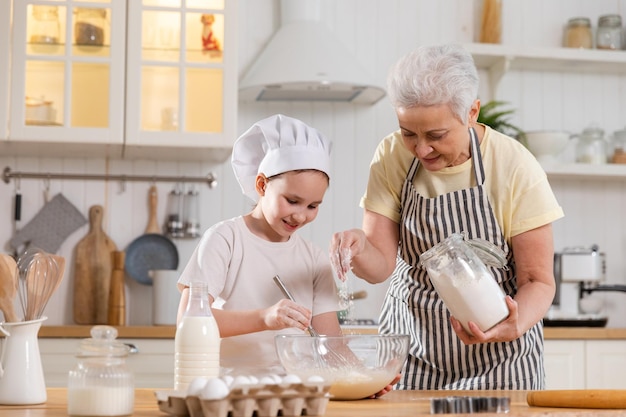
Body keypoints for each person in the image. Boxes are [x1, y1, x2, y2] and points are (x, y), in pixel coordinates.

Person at [329, 44, 564, 390]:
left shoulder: (514, 165)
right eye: (408, 132)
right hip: (412, 355)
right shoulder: (392, 155)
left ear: (471, 113)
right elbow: (379, 266)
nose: (421, 149)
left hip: (500, 360)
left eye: (436, 136)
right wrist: (357, 246)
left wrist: (514, 324)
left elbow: (538, 280)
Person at [176, 114, 342, 372]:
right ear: (262, 185)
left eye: (313, 206)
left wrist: (367, 379)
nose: (301, 215)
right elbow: (188, 320)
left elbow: (332, 348)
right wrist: (265, 318)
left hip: (298, 393)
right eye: (292, 200)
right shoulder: (225, 240)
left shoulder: (314, 258)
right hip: (231, 392)